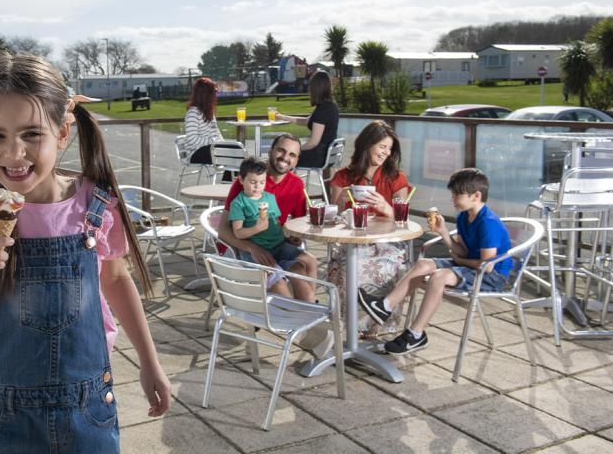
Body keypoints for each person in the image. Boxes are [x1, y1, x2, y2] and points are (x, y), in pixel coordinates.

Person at [0, 52, 170, 453]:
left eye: (32, 134)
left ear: (63, 132)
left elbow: (116, 280)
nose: (14, 153)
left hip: (86, 412)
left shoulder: (94, 207)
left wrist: (150, 362)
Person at [358, 168, 512, 355]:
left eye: (457, 195)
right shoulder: (464, 216)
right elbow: (462, 251)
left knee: (438, 277)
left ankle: (415, 334)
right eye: (452, 194)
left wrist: (459, 260)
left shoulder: (488, 223)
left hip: (492, 276)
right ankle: (384, 307)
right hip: (471, 264)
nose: (452, 199)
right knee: (423, 265)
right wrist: (443, 232)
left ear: (476, 196)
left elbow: (487, 267)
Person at [327, 120, 410, 336]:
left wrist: (386, 207)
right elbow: (331, 219)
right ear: (367, 144)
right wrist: (341, 198)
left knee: (381, 269)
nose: (386, 153)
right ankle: (352, 327)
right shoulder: (343, 177)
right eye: (382, 147)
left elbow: (404, 221)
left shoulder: (396, 178)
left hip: (386, 245)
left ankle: (376, 326)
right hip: (353, 244)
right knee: (345, 268)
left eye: (389, 149)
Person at [218, 134, 319, 302]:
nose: (285, 158)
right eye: (281, 150)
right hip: (248, 249)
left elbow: (298, 225)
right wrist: (252, 248)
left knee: (301, 275)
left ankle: (308, 317)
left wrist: (295, 236)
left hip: (277, 245)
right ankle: (287, 319)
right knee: (279, 284)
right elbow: (223, 231)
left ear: (296, 160)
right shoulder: (248, 182)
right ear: (271, 151)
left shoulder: (296, 185)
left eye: (292, 155)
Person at [228, 157, 305, 297]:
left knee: (302, 267)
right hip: (258, 251)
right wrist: (257, 228)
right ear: (241, 180)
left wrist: (290, 236)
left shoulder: (269, 198)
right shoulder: (238, 204)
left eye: (262, 182)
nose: (258, 187)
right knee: (278, 281)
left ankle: (307, 308)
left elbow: (277, 223)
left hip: (279, 245)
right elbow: (238, 233)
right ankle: (289, 311)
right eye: (252, 182)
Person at [276, 70, 340, 169]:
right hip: (326, 154)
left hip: (318, 157)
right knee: (284, 155)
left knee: (278, 158)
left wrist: (296, 150)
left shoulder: (322, 110)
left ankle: (282, 184)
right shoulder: (330, 106)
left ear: (315, 88)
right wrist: (283, 116)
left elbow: (313, 142)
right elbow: (306, 121)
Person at [183, 77, 223, 164]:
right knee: (233, 155)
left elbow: (216, 132)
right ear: (206, 95)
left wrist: (223, 144)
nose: (215, 96)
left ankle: (228, 178)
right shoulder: (193, 113)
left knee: (236, 152)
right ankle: (229, 178)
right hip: (196, 153)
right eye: (214, 92)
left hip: (210, 149)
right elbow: (192, 139)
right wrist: (213, 141)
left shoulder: (209, 112)